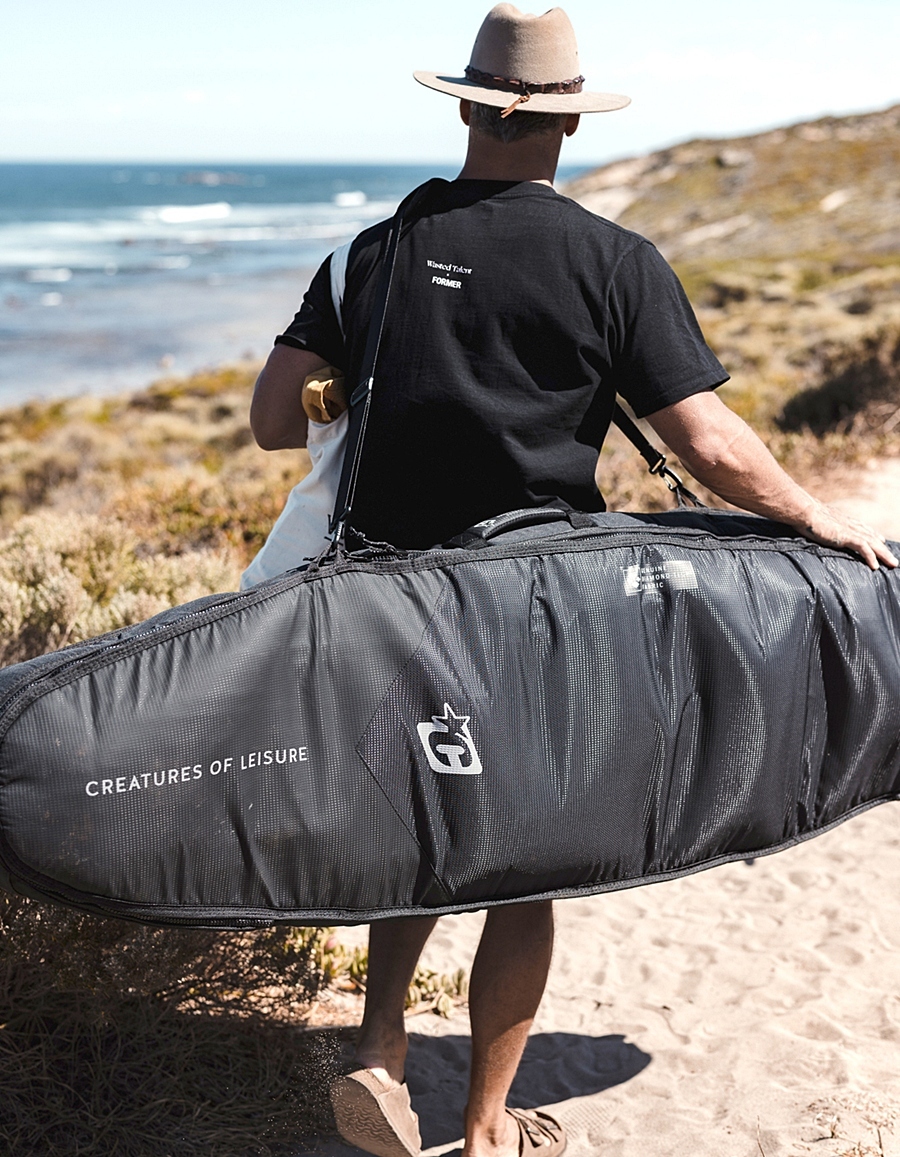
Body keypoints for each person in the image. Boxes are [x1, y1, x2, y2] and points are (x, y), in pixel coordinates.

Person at [249, 7, 897, 1155]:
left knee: (416, 825)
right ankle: (487, 1124)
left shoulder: (370, 255)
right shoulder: (614, 263)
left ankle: (381, 1053)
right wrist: (812, 513)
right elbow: (703, 438)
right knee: (522, 857)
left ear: (466, 107)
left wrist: (336, 391)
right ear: (568, 124)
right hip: (535, 602)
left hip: (386, 597)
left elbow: (268, 419)